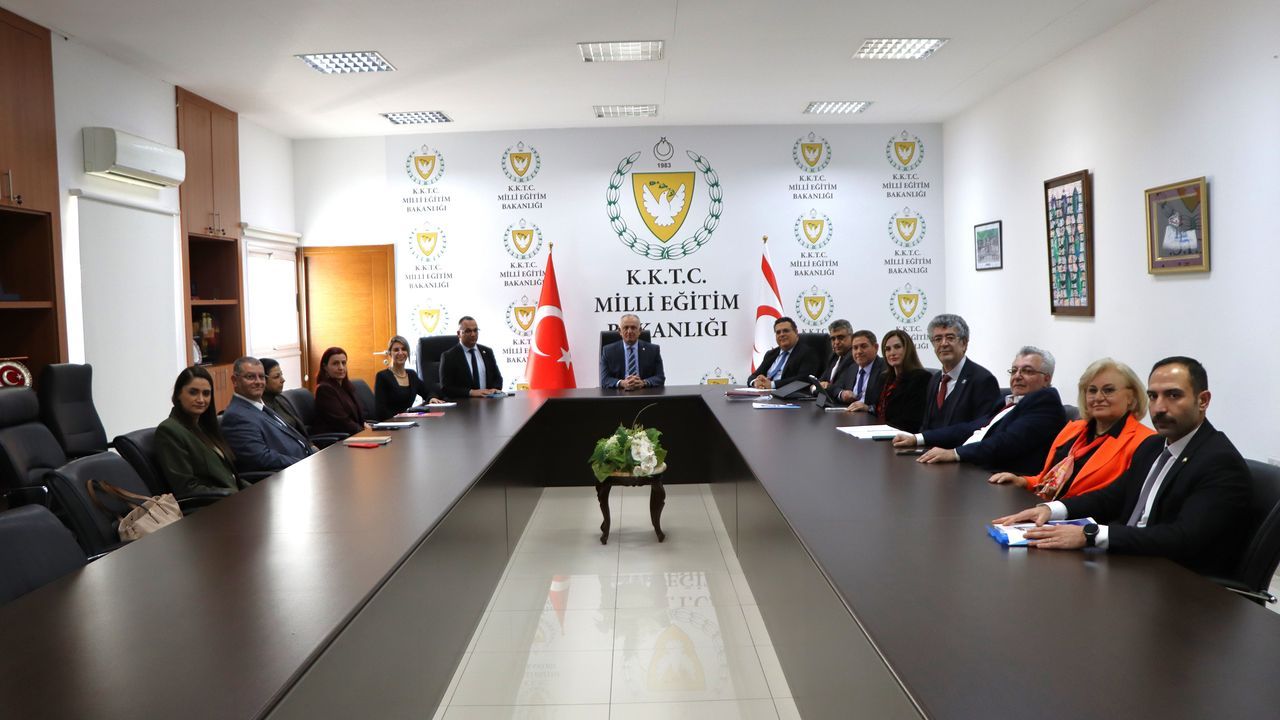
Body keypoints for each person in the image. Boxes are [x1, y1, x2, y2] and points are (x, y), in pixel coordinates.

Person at [994, 357, 1250, 577]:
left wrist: (1090, 534)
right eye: (1153, 396)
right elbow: (1111, 497)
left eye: (1173, 395)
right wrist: (1050, 510)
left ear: (1203, 400)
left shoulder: (1219, 461)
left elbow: (1182, 538)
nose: (1159, 407)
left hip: (1176, 583)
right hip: (1132, 560)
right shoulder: (1154, 446)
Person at [989, 358, 1155, 501]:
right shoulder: (1072, 429)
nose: (1098, 397)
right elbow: (1046, 479)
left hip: (1085, 522)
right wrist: (1023, 482)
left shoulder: (1145, 442)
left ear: (1131, 397)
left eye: (1108, 390)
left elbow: (1119, 501)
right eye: (1092, 390)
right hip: (1042, 510)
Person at [893, 347, 1066, 474]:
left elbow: (1006, 442)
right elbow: (971, 428)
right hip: (973, 467)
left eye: (1027, 371)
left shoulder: (1046, 403)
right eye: (1014, 370)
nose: (1017, 376)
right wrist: (918, 438)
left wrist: (955, 453)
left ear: (1046, 378)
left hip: (1000, 478)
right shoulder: (1008, 401)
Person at [154, 366, 245, 499]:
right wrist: (234, 495)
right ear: (178, 394)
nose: (201, 399)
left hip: (233, 498)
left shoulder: (204, 426)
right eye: (193, 392)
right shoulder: (169, 430)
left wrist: (254, 490)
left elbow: (229, 478)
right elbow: (186, 488)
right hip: (213, 505)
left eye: (206, 393)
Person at [222, 356, 313, 473]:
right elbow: (262, 458)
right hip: (286, 474)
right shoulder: (236, 416)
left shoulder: (261, 406)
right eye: (250, 377)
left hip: (304, 463)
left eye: (261, 377)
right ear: (235, 380)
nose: (258, 382)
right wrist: (302, 463)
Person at [919, 313, 1001, 431]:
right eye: (938, 339)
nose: (943, 344)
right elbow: (926, 426)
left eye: (950, 338)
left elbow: (982, 430)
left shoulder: (983, 380)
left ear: (964, 343)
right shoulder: (934, 380)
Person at [847, 328, 931, 433]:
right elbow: (880, 411)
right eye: (888, 349)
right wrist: (868, 409)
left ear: (908, 350)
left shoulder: (921, 378)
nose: (892, 353)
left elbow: (911, 421)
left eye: (897, 347)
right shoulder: (884, 378)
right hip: (880, 432)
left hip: (903, 437)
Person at [374, 335, 441, 418]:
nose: (400, 353)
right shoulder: (382, 376)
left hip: (408, 421)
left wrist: (431, 398)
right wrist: (400, 418)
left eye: (404, 349)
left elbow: (427, 392)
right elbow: (380, 411)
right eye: (396, 350)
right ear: (390, 353)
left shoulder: (411, 374)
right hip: (391, 423)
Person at [440, 316, 504, 399]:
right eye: (468, 331)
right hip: (464, 404)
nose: (473, 334)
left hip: (489, 402)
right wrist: (471, 392)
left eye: (475, 330)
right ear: (459, 334)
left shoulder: (487, 352)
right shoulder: (449, 356)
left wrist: (495, 389)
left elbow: (497, 378)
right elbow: (446, 388)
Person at [748, 317, 821, 389]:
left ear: (796, 332)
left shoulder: (807, 353)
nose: (781, 334)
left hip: (787, 395)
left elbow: (804, 379)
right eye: (778, 332)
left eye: (786, 331)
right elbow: (753, 376)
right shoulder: (770, 354)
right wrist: (755, 382)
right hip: (764, 393)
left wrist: (772, 385)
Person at [599, 314, 665, 390]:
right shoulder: (608, 351)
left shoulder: (653, 350)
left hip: (645, 393)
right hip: (618, 394)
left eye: (633, 328)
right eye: (626, 328)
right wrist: (622, 383)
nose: (629, 331)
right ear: (620, 331)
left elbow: (660, 377)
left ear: (640, 331)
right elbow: (604, 380)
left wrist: (644, 382)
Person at [313, 346, 365, 435]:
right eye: (335, 363)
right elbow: (342, 422)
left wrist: (365, 427)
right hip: (339, 439)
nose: (341, 367)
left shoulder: (346, 387)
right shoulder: (324, 389)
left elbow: (357, 418)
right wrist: (364, 431)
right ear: (325, 367)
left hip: (354, 434)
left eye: (343, 363)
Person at [260, 358, 307, 437]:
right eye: (276, 376)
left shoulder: (280, 399)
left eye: (281, 375)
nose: (283, 380)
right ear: (262, 380)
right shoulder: (261, 408)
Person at [839, 330, 886, 406]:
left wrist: (868, 408)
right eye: (855, 348)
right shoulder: (852, 368)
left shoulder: (885, 368)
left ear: (876, 347)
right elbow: (836, 387)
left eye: (863, 346)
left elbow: (887, 403)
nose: (859, 351)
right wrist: (842, 393)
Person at [816, 319, 856, 398]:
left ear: (852, 337)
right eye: (833, 339)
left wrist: (825, 387)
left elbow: (840, 386)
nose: (836, 342)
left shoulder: (854, 357)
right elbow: (821, 381)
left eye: (841, 337)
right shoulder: (834, 356)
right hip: (826, 401)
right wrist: (816, 386)